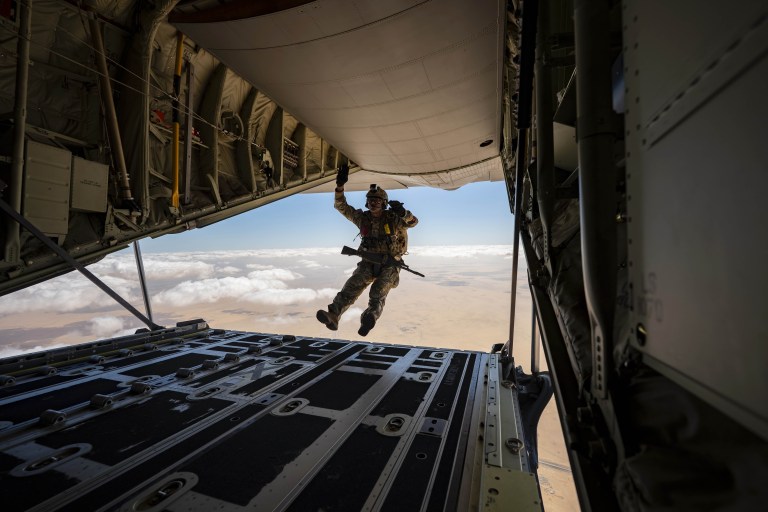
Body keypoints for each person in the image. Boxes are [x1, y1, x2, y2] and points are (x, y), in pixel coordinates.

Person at [316, 165, 419, 336]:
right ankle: (333, 315)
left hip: (390, 264)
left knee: (377, 292)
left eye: (377, 200)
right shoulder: (363, 218)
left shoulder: (394, 219)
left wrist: (403, 213)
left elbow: (413, 222)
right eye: (371, 200)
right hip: (368, 262)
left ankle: (369, 317)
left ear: (384, 203)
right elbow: (341, 207)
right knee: (351, 286)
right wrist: (339, 187)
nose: (373, 203)